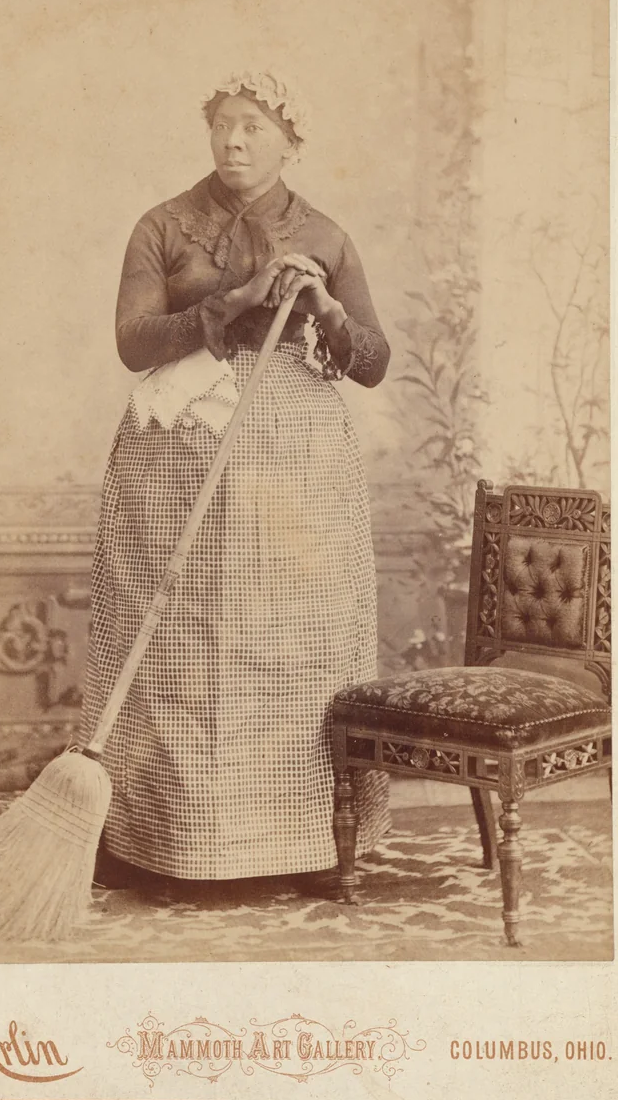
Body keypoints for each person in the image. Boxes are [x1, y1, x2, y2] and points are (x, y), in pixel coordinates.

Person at [78, 70, 391, 884]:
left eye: (253, 125)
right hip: (179, 449)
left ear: (290, 140)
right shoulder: (165, 226)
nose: (235, 140)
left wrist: (324, 309)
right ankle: (165, 839)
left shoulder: (325, 232)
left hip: (297, 465)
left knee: (292, 638)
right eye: (223, 124)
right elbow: (134, 342)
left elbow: (374, 363)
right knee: (179, 635)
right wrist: (240, 297)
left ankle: (308, 840)